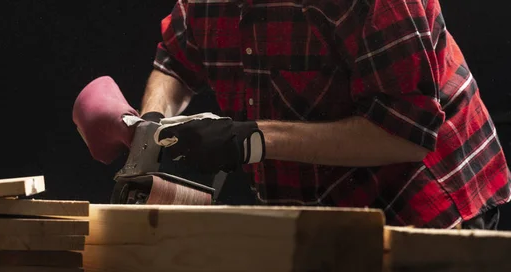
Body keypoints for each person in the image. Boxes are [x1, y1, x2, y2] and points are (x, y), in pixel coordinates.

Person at [136, 0, 511, 230]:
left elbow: (405, 132)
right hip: (321, 217)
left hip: (425, 201)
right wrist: (151, 120)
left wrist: (249, 139)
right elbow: (175, 59)